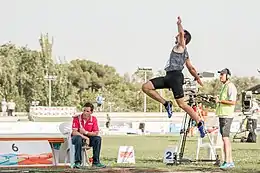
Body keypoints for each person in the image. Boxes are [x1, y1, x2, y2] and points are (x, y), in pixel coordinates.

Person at [141, 16, 206, 138]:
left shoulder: (182, 46)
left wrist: (179, 23)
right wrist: (197, 77)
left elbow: (181, 33)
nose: (176, 36)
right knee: (146, 87)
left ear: (184, 38)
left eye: (179, 35)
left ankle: (199, 122)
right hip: (168, 76)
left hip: (176, 76)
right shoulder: (184, 52)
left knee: (182, 104)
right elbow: (190, 68)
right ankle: (166, 104)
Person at [71, 102, 106, 169]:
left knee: (97, 139)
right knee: (78, 138)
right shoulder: (77, 118)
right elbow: (74, 132)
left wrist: (86, 133)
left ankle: (96, 162)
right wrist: (85, 137)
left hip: (88, 137)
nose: (85, 113)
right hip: (77, 138)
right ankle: (77, 162)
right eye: (84, 110)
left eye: (87, 111)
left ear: (91, 112)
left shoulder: (94, 119)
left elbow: (96, 133)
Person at [215, 68, 237, 169]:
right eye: (220, 75)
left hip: (227, 116)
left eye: (222, 75)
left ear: (227, 76)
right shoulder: (224, 86)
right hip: (223, 115)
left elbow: (233, 102)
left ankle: (227, 161)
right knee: (225, 139)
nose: (220, 76)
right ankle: (229, 161)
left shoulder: (230, 86)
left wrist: (220, 101)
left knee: (225, 139)